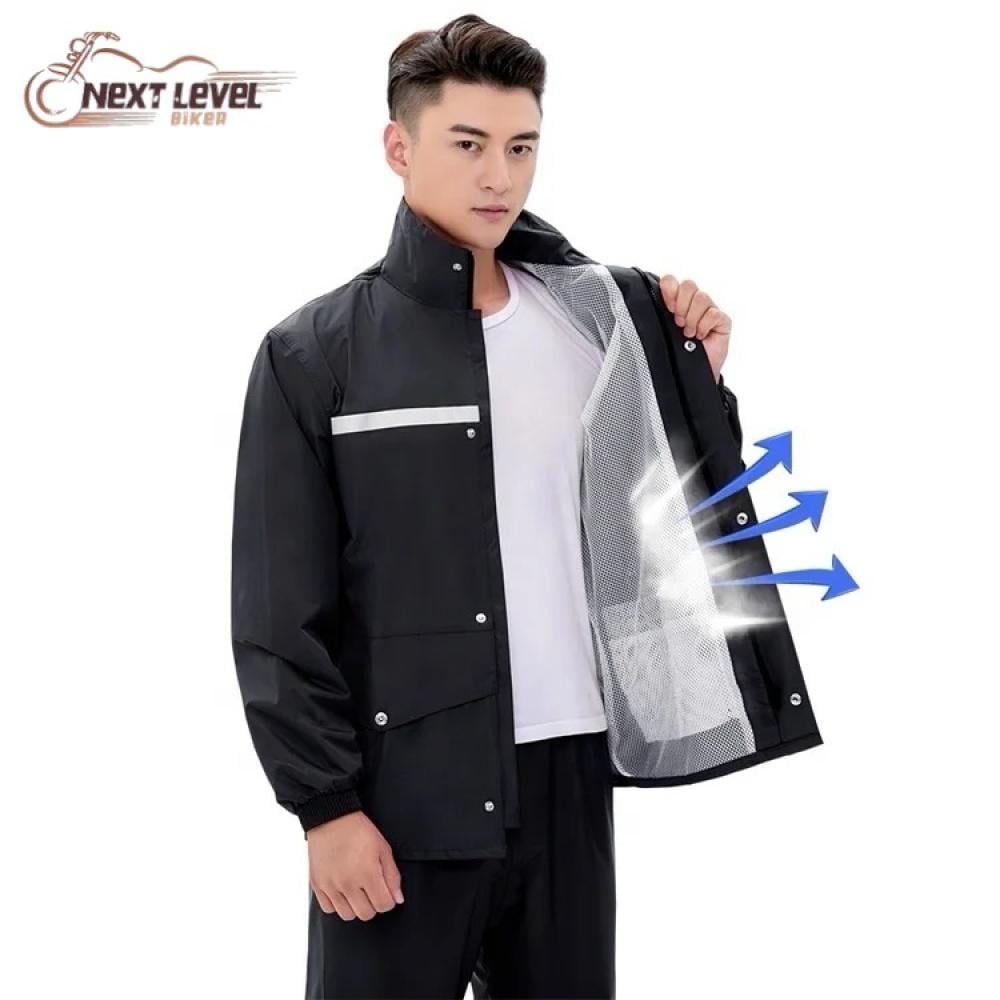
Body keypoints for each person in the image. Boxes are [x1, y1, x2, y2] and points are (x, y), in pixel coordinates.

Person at [230, 12, 823, 1000]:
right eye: (467, 145)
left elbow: (663, 525)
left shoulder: (600, 322)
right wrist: (323, 805)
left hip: (569, 775)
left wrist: (696, 387)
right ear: (399, 148)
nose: (498, 176)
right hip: (403, 792)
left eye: (520, 147)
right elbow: (276, 608)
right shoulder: (315, 353)